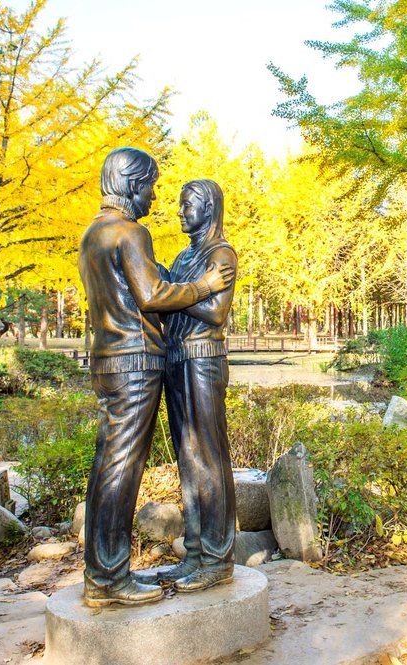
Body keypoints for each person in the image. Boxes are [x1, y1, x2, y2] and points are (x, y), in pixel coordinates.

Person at [78, 149, 234, 607]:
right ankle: (108, 577)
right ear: (131, 183)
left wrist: (183, 291)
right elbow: (151, 294)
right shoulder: (130, 233)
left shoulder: (93, 233)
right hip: (135, 360)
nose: (155, 197)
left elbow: (150, 292)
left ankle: (114, 571)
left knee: (120, 463)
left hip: (122, 359)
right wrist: (202, 288)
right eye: (150, 186)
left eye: (186, 201)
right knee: (121, 468)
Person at [137, 179, 238, 592]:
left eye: (187, 204)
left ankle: (217, 559)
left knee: (208, 458)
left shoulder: (220, 253)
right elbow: (164, 303)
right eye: (179, 203)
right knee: (188, 459)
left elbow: (215, 313)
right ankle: (195, 553)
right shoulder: (183, 257)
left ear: (209, 207)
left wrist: (170, 293)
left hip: (202, 361)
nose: (179, 211)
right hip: (176, 361)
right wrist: (165, 283)